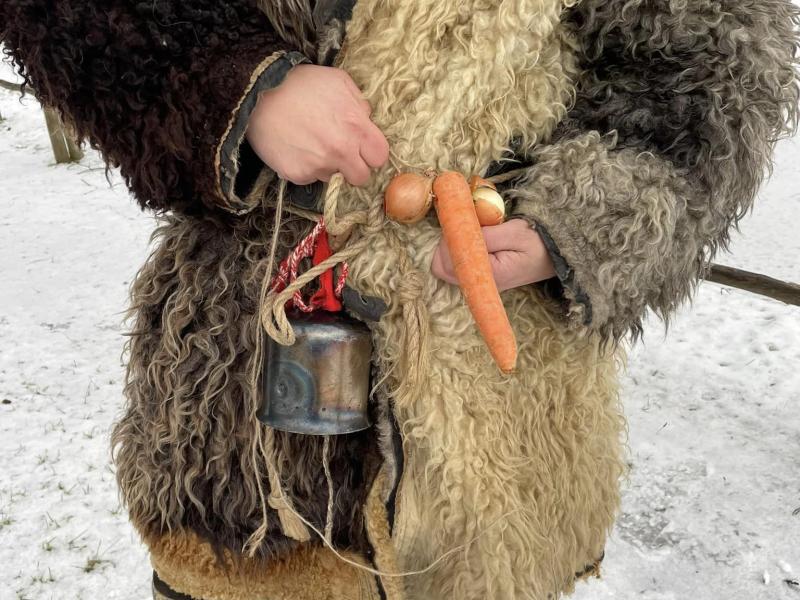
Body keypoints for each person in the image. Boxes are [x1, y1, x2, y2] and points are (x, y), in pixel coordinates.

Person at [2, 1, 798, 599]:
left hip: (504, 406)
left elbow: (713, 70)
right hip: (241, 404)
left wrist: (583, 220)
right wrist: (237, 88)